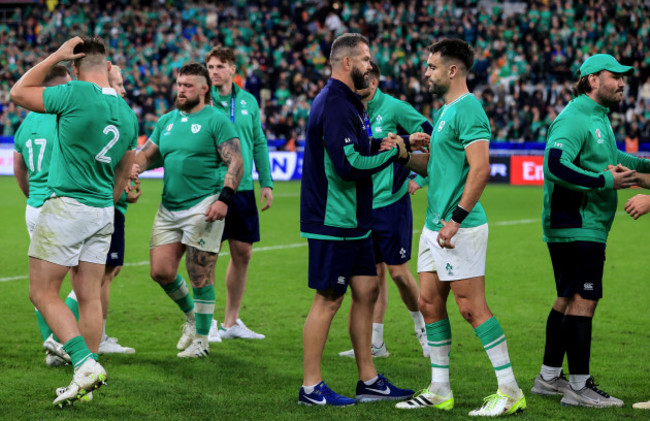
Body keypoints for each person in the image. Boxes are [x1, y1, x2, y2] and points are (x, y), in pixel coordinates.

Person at [394, 38, 526, 416]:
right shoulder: (446, 111)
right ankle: (439, 389)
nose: (425, 72)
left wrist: (456, 220)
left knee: (471, 308)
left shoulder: (469, 110)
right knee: (428, 303)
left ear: (453, 70)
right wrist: (402, 153)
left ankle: (510, 390)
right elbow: (435, 168)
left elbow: (481, 169)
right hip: (434, 225)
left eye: (432, 66)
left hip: (459, 227)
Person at [10, 36, 138, 406]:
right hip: (102, 210)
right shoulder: (128, 114)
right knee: (89, 296)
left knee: (42, 292)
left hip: (67, 204)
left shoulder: (76, 93)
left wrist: (55, 56)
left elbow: (19, 93)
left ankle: (84, 364)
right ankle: (87, 376)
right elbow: (124, 172)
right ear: (107, 66)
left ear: (78, 69)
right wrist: (106, 203)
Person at [298, 32, 414, 407]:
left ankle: (369, 380)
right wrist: (395, 154)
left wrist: (386, 144)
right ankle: (311, 387)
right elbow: (347, 166)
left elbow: (353, 149)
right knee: (328, 299)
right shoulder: (335, 103)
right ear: (347, 63)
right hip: (334, 220)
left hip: (355, 221)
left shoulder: (349, 103)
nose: (370, 66)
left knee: (367, 291)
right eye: (365, 59)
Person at [532, 54, 650, 408]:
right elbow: (553, 166)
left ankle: (550, 377)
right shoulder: (574, 118)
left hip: (583, 224)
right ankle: (580, 387)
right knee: (585, 300)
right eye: (615, 76)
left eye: (623, 77)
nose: (622, 82)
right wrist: (603, 180)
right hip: (576, 225)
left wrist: (643, 167)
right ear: (592, 80)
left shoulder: (597, 118)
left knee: (567, 298)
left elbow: (616, 160)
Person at [132, 62, 243, 359]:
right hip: (169, 205)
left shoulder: (216, 120)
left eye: (188, 85)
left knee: (199, 273)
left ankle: (202, 342)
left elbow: (236, 161)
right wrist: (133, 170)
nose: (181, 90)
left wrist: (224, 199)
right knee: (161, 271)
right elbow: (147, 156)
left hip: (204, 204)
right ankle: (193, 317)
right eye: (179, 84)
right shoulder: (167, 120)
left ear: (204, 89)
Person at [338, 61, 432, 359]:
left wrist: (419, 177)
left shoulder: (396, 109)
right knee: (372, 275)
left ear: (374, 84)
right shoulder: (352, 109)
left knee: (399, 273)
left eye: (359, 82)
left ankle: (424, 330)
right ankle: (376, 343)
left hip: (392, 205)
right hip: (363, 207)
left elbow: (435, 139)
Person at [205, 46, 273, 341]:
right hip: (211, 188)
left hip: (243, 189)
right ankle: (206, 321)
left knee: (243, 253)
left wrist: (266, 183)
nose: (214, 72)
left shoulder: (247, 101)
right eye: (210, 67)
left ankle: (231, 322)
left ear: (233, 69)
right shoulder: (202, 102)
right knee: (206, 255)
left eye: (220, 66)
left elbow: (258, 142)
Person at [13, 65, 78, 367]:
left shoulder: (26, 122)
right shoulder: (63, 118)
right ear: (53, 89)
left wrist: (33, 197)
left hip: (35, 208)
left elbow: (19, 169)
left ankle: (51, 345)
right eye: (66, 86)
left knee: (42, 287)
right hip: (61, 208)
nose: (70, 90)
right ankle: (59, 342)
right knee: (87, 282)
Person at [97, 64, 141, 354]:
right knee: (102, 273)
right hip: (106, 207)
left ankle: (96, 334)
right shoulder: (114, 115)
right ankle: (96, 337)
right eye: (119, 83)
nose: (124, 88)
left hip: (114, 205)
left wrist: (127, 183)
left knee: (110, 271)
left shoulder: (111, 115)